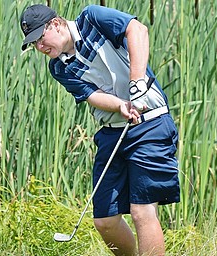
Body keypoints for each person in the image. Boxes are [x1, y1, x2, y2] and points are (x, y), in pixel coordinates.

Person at [20, 4, 180, 256]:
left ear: (56, 24)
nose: (40, 47)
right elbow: (92, 95)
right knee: (105, 221)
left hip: (150, 124)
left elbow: (137, 29)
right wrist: (121, 105)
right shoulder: (59, 68)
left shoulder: (92, 18)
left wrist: (137, 81)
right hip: (112, 132)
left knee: (142, 211)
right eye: (34, 44)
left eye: (40, 38)